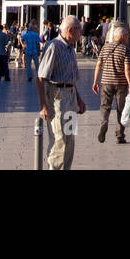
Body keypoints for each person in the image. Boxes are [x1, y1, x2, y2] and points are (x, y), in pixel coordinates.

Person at [36, 15, 87, 170]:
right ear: (71, 30)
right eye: (80, 31)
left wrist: (78, 99)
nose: (81, 35)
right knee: (59, 140)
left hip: (70, 95)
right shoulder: (54, 46)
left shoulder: (70, 48)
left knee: (70, 138)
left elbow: (71, 78)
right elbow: (41, 77)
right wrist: (43, 105)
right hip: (57, 96)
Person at [93, 23, 130, 144]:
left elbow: (99, 65)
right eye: (126, 35)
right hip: (121, 83)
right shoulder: (125, 49)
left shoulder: (105, 48)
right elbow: (127, 69)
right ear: (122, 36)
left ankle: (104, 122)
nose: (127, 37)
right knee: (121, 109)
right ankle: (119, 135)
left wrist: (95, 81)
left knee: (105, 106)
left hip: (106, 82)